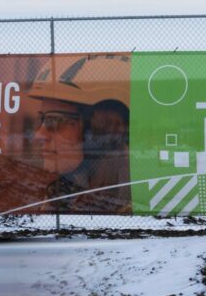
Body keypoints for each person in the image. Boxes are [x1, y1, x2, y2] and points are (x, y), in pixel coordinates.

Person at [28, 54, 131, 214]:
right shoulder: (67, 190)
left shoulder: (130, 200)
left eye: (54, 121)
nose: (39, 136)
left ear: (99, 130)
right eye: (40, 119)